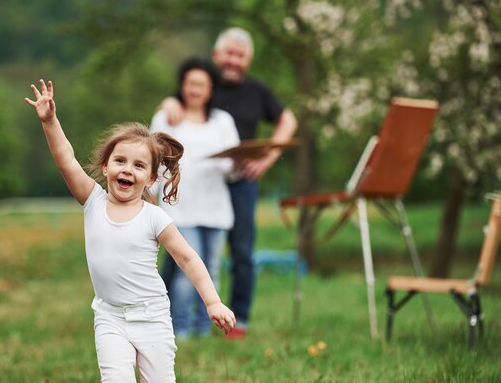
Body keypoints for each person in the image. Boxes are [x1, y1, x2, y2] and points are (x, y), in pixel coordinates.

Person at [24, 79, 235, 382]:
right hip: (109, 316)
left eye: (138, 166)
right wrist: (50, 122)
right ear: (106, 167)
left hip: (152, 317)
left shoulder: (154, 218)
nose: (127, 169)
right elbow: (66, 160)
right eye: (120, 161)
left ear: (150, 180)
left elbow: (188, 258)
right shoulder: (93, 201)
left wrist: (212, 301)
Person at [159, 28, 298, 339]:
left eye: (241, 56)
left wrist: (267, 158)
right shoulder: (204, 82)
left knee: (241, 251)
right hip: (193, 186)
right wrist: (168, 102)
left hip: (238, 179)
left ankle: (238, 321)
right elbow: (177, 101)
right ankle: (165, 314)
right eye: (229, 54)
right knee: (180, 252)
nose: (234, 61)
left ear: (248, 60)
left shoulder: (258, 91)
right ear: (216, 55)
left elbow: (288, 120)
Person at [151, 57, 240, 338]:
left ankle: (205, 329)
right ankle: (180, 329)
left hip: (216, 209)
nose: (195, 89)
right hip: (180, 209)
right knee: (188, 271)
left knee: (211, 271)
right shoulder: (166, 118)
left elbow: (233, 169)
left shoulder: (222, 121)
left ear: (211, 89)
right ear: (182, 86)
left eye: (202, 84)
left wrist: (239, 161)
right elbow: (152, 162)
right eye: (191, 83)